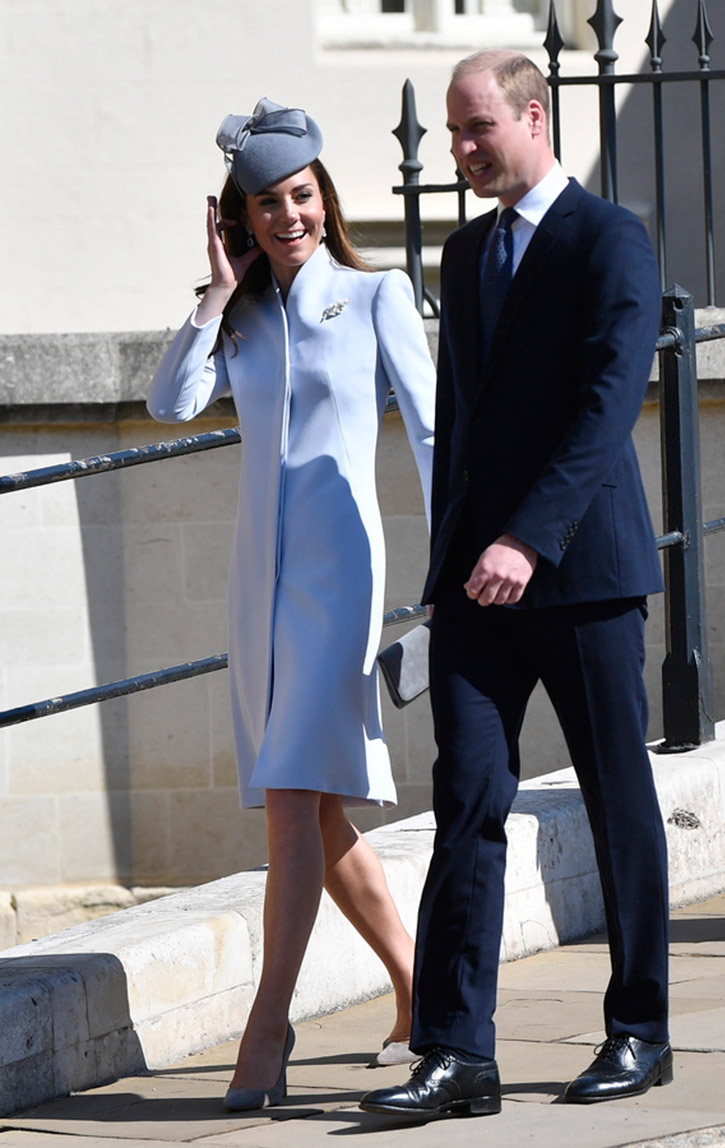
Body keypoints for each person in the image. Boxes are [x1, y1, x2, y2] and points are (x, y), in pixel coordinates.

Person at [360, 50, 670, 1119]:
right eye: (451, 131)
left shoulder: (608, 237)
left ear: (534, 117)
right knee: (466, 803)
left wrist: (529, 540)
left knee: (616, 800)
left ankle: (640, 1030)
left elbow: (607, 404)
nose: (459, 149)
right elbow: (458, 425)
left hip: (582, 577)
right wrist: (447, 572)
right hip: (476, 590)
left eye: (476, 127)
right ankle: (457, 1052)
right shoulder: (464, 252)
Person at [147, 98, 435, 1110]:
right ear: (242, 217)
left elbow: (434, 434)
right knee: (313, 805)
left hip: (339, 578)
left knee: (288, 800)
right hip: (256, 589)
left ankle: (266, 1027)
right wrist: (215, 294)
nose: (289, 215)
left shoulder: (376, 294)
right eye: (267, 203)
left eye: (302, 195)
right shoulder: (242, 318)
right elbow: (170, 401)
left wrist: (450, 571)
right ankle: (420, 985)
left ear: (326, 197)